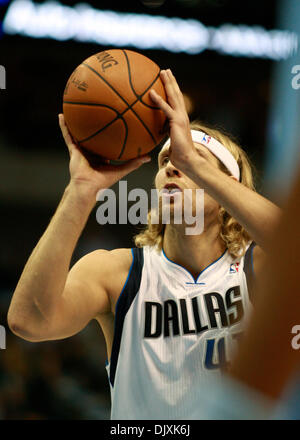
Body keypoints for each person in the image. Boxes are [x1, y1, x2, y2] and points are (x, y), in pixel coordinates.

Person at [7, 69, 281, 420]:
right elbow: (29, 321)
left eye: (192, 162)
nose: (173, 167)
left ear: (225, 186)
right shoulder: (117, 272)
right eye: (167, 161)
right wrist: (79, 191)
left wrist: (192, 163)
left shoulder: (259, 268)